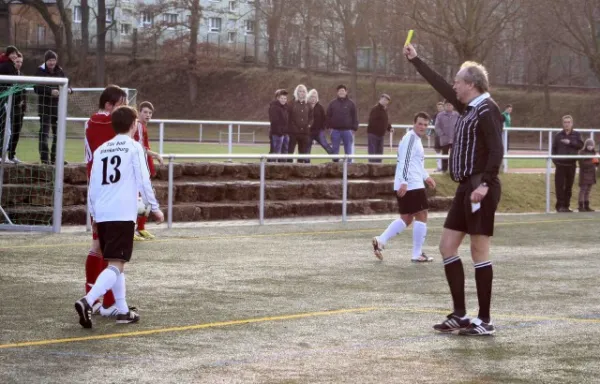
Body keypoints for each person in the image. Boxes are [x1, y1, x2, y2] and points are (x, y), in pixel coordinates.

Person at [405, 43, 504, 336]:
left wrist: (485, 184)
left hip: (479, 186)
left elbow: (497, 149)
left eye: (458, 81)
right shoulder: (469, 106)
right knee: (447, 246)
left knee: (478, 250)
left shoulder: (487, 109)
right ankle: (460, 314)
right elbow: (440, 86)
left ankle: (484, 319)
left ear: (471, 84)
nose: (454, 86)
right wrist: (416, 61)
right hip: (465, 187)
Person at [75, 105, 164, 328]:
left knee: (117, 263)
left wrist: (94, 213)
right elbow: (144, 181)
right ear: (134, 124)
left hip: (103, 213)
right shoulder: (134, 148)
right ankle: (87, 301)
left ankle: (123, 310)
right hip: (121, 213)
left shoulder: (102, 149)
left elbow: (92, 186)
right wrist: (154, 207)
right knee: (116, 263)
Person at [84, 85, 128, 317]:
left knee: (102, 248)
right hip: (108, 194)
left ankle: (100, 300)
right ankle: (100, 301)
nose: (125, 109)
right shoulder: (101, 122)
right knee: (111, 252)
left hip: (99, 192)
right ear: (109, 105)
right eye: (122, 104)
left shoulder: (94, 122)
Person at [372, 112, 436, 262]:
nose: (422, 127)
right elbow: (405, 161)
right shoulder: (412, 138)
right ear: (414, 123)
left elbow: (416, 163)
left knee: (406, 218)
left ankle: (380, 240)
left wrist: (426, 177)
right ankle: (417, 254)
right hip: (411, 183)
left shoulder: (415, 139)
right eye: (420, 123)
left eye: (425, 125)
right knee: (422, 214)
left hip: (411, 181)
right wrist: (405, 181)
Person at [34, 50, 72, 165]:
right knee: (44, 133)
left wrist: (69, 89)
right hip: (45, 108)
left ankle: (56, 158)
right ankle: (45, 159)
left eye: (54, 60)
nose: (52, 62)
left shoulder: (60, 71)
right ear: (46, 61)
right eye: (50, 60)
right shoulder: (40, 71)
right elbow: (37, 88)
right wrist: (50, 91)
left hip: (58, 108)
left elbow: (67, 83)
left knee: (58, 133)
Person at [133, 101, 163, 241]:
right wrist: (156, 155)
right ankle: (133, 230)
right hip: (137, 168)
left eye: (150, 113)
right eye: (145, 112)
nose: (148, 115)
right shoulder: (137, 125)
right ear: (139, 112)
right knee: (137, 198)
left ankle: (141, 228)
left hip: (143, 166)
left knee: (146, 198)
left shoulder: (143, 127)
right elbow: (141, 148)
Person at [552, 115, 583, 213]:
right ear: (563, 123)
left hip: (571, 165)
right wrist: (556, 162)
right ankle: (560, 206)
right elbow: (553, 150)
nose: (567, 124)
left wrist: (570, 142)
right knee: (559, 186)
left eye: (568, 122)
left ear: (572, 123)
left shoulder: (577, 135)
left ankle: (566, 206)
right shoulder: (558, 135)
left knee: (569, 187)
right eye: (565, 122)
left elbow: (580, 145)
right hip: (560, 165)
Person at [327, 85, 358, 162]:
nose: (341, 92)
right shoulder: (332, 104)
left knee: (348, 150)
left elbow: (355, 116)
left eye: (343, 91)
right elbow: (328, 116)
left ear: (346, 92)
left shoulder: (351, 104)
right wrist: (328, 127)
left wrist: (354, 128)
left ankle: (349, 167)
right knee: (335, 150)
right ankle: (335, 167)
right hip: (335, 131)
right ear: (337, 93)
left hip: (347, 131)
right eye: (340, 91)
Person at [0, 46, 19, 162]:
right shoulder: (7, 66)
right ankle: (3, 154)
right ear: (8, 55)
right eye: (12, 54)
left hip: (6, 99)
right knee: (6, 129)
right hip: (5, 100)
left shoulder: (6, 65)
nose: (14, 56)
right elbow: (13, 82)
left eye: (15, 54)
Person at [7, 52, 26, 163]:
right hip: (11, 107)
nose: (19, 64)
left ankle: (12, 154)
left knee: (17, 132)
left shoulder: (22, 75)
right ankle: (5, 154)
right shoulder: (10, 74)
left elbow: (24, 92)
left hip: (20, 108)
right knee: (10, 130)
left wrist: (23, 104)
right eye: (17, 61)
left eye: (21, 62)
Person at [288, 84, 312, 163]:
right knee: (290, 152)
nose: (302, 93)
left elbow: (311, 117)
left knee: (302, 153)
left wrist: (308, 125)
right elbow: (289, 117)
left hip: (304, 132)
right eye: (300, 91)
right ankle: (289, 168)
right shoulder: (291, 103)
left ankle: (300, 170)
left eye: (303, 91)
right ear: (296, 92)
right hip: (293, 132)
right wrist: (293, 127)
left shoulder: (308, 104)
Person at [307, 89, 333, 159]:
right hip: (308, 132)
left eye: (315, 97)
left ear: (317, 98)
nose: (313, 98)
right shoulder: (306, 106)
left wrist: (322, 127)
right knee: (307, 148)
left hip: (319, 131)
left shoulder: (320, 107)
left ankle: (336, 159)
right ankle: (307, 164)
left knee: (325, 145)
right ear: (309, 97)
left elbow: (324, 118)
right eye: (312, 96)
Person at [367, 94, 393, 163]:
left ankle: (378, 169)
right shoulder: (375, 109)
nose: (385, 101)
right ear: (380, 99)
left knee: (379, 154)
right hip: (373, 134)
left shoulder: (385, 110)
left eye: (387, 100)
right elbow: (371, 121)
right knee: (372, 154)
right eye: (384, 99)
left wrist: (389, 128)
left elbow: (386, 120)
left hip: (381, 135)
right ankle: (371, 168)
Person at [434, 100, 459, 172]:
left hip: (454, 138)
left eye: (450, 105)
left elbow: (459, 125)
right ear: (445, 106)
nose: (449, 106)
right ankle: (444, 170)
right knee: (444, 155)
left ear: (453, 106)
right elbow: (437, 126)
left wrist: (457, 134)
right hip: (444, 139)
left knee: (454, 155)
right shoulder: (440, 115)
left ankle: (454, 169)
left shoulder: (456, 115)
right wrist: (442, 134)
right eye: (447, 105)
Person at [268, 89, 289, 162]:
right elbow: (274, 121)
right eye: (282, 98)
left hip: (285, 133)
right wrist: (280, 132)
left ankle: (283, 167)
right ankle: (272, 168)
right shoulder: (274, 107)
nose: (283, 100)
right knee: (276, 151)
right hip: (277, 133)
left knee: (285, 151)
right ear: (278, 98)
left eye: (285, 98)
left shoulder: (286, 107)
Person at [578, 138, 597, 212]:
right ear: (586, 145)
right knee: (583, 190)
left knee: (588, 190)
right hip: (584, 174)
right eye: (588, 145)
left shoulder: (594, 153)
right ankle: (580, 206)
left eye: (591, 145)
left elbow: (596, 164)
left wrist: (596, 161)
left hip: (592, 174)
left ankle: (586, 206)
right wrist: (592, 163)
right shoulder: (582, 152)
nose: (590, 147)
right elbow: (582, 164)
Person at [431, 101, 444, 171]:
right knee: (437, 151)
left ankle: (445, 168)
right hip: (437, 136)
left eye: (441, 107)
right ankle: (439, 167)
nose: (440, 108)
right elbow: (432, 125)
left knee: (445, 151)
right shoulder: (435, 115)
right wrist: (430, 133)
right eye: (438, 107)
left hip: (445, 137)